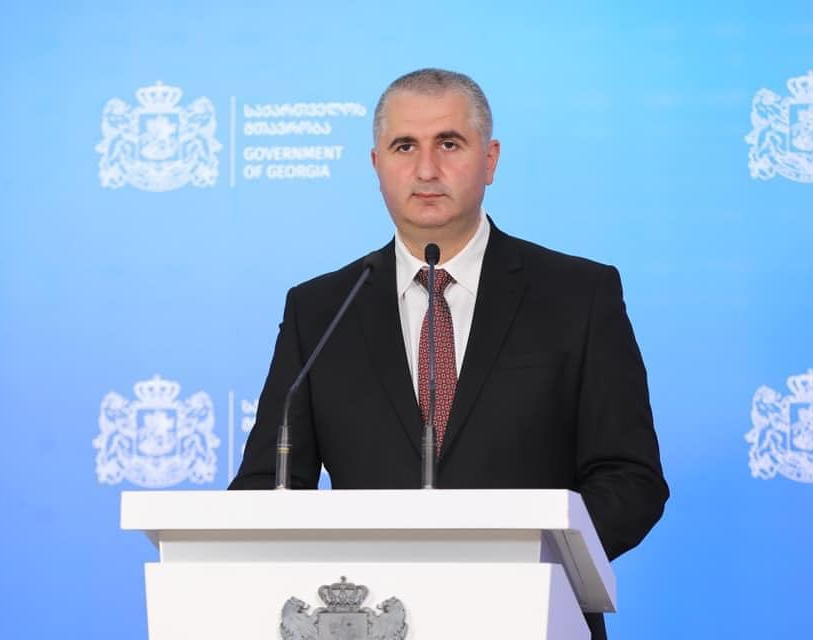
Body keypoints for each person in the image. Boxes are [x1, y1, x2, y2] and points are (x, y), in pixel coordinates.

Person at [230, 68, 668, 639]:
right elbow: (267, 485)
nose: (426, 169)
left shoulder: (578, 295)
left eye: (450, 143)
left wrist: (533, 559)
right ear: (376, 164)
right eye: (404, 146)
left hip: (530, 620)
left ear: (490, 159)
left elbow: (630, 478)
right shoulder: (320, 309)